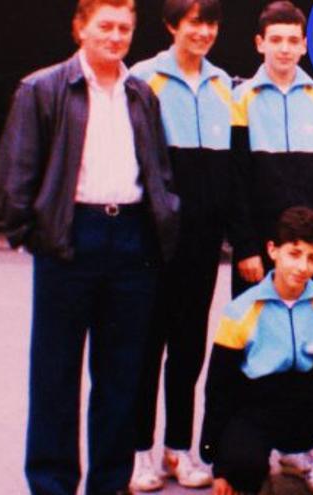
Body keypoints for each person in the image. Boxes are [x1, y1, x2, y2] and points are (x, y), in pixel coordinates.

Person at [0, 0, 180, 493]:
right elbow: (16, 173)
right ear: (80, 29)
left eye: (125, 28)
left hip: (132, 242)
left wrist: (163, 220)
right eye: (105, 26)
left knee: (120, 376)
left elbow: (158, 169)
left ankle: (110, 483)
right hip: (71, 239)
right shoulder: (43, 88)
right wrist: (35, 235)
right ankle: (52, 483)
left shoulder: (142, 95)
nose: (115, 36)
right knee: (55, 375)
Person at [128, 0, 232, 489]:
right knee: (146, 344)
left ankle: (178, 448)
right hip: (153, 234)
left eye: (210, 23)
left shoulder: (223, 83)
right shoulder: (142, 78)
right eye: (194, 23)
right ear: (172, 26)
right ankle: (139, 452)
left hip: (203, 238)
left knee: (190, 346)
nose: (204, 32)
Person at [200, 206, 313, 495]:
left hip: (312, 406)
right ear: (273, 250)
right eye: (294, 253)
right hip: (261, 408)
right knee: (243, 465)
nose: (302, 267)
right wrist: (221, 467)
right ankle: (253, 471)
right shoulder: (240, 310)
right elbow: (219, 389)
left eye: (312, 258)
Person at [230, 0, 313, 297]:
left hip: (311, 251)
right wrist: (245, 249)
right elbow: (236, 181)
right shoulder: (240, 99)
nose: (284, 48)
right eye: (275, 39)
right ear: (259, 43)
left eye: (293, 40)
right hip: (259, 249)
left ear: (305, 46)